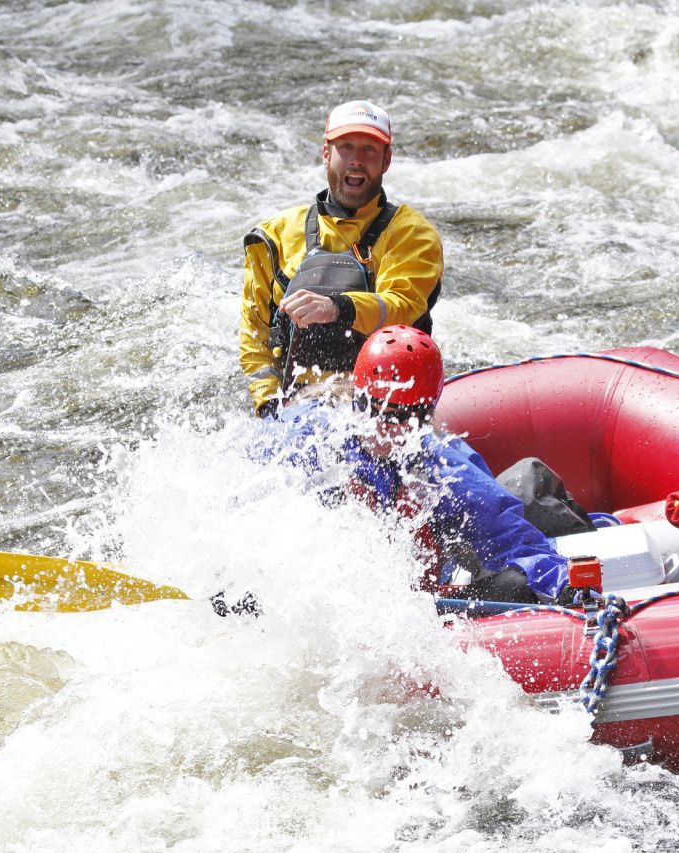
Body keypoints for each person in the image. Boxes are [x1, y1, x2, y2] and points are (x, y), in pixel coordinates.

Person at [270, 325, 568, 604]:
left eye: (406, 417)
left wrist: (564, 584)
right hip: (314, 592)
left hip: (413, 603)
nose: (389, 429)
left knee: (516, 587)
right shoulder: (307, 436)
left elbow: (515, 540)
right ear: (357, 399)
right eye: (378, 410)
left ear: (426, 415)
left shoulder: (441, 465)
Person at [240, 100, 445, 418]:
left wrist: (337, 308)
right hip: (297, 409)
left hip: (386, 413)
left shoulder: (411, 234)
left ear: (386, 160)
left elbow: (401, 306)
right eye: (346, 147)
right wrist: (269, 407)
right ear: (327, 154)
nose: (357, 161)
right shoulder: (274, 237)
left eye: (369, 150)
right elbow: (254, 334)